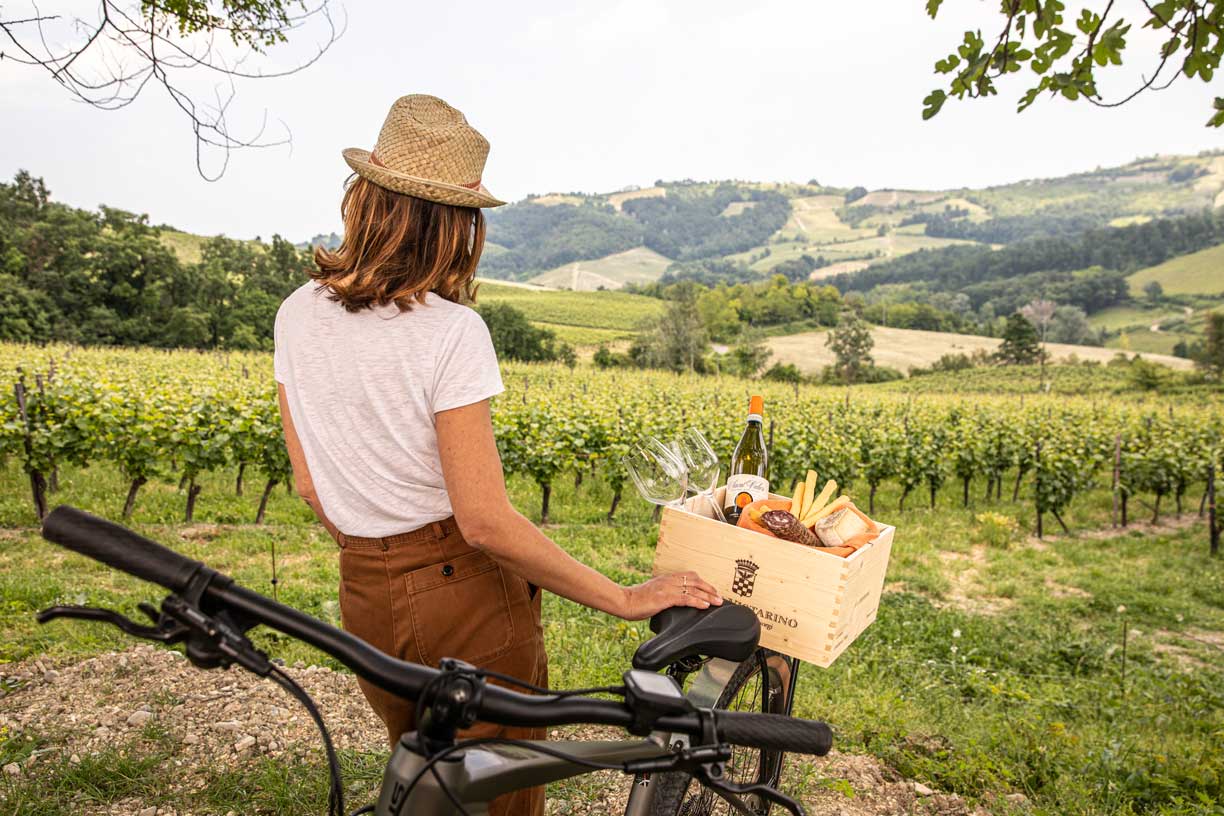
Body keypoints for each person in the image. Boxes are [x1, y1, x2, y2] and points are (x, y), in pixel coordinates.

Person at [273, 94, 721, 816]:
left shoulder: (296, 312)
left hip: (364, 588)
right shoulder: (450, 333)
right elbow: (482, 521)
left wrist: (381, 558)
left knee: (425, 787)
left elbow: (306, 482)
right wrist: (624, 597)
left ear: (364, 199)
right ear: (459, 227)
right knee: (495, 792)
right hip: (464, 595)